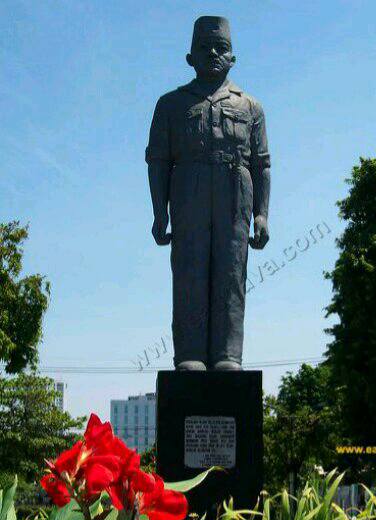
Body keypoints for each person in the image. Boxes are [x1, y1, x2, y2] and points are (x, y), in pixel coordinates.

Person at [146, 16, 271, 371]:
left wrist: (261, 213)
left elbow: (262, 164)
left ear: (233, 58)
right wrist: (160, 211)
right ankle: (190, 354)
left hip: (235, 190)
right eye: (205, 48)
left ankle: (228, 354)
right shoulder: (170, 104)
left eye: (222, 48)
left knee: (231, 273)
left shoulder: (251, 107)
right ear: (190, 57)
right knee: (189, 272)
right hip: (188, 189)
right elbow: (157, 161)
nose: (214, 54)